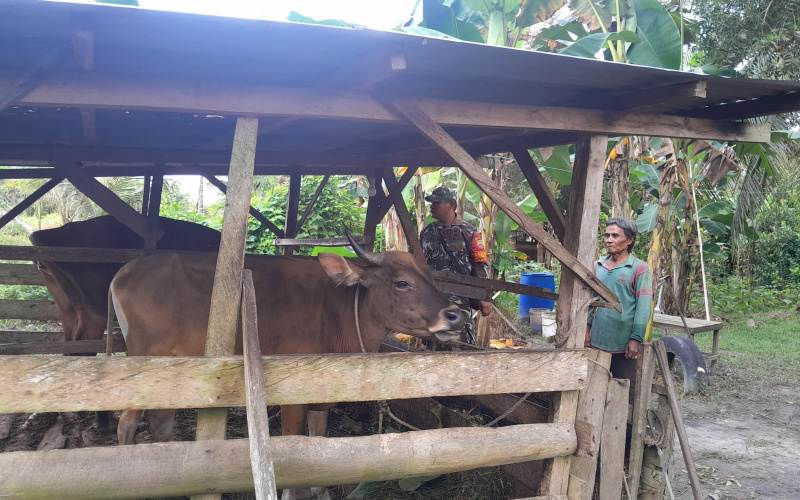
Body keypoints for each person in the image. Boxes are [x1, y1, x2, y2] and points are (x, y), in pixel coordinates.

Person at [420, 187, 492, 344]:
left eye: (437, 203)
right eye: (431, 203)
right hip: (433, 298)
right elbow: (418, 263)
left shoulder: (469, 232)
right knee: (433, 343)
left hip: (461, 300)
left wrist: (484, 298)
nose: (432, 206)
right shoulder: (427, 232)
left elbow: (479, 266)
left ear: (451, 205)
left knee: (462, 343)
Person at [589, 217, 653, 383]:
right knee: (594, 387)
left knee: (622, 389)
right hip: (596, 340)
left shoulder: (639, 268)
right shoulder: (598, 266)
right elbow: (590, 300)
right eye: (607, 235)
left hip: (622, 344)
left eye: (615, 236)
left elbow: (643, 307)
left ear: (629, 240)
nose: (609, 240)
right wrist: (587, 329)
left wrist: (635, 338)